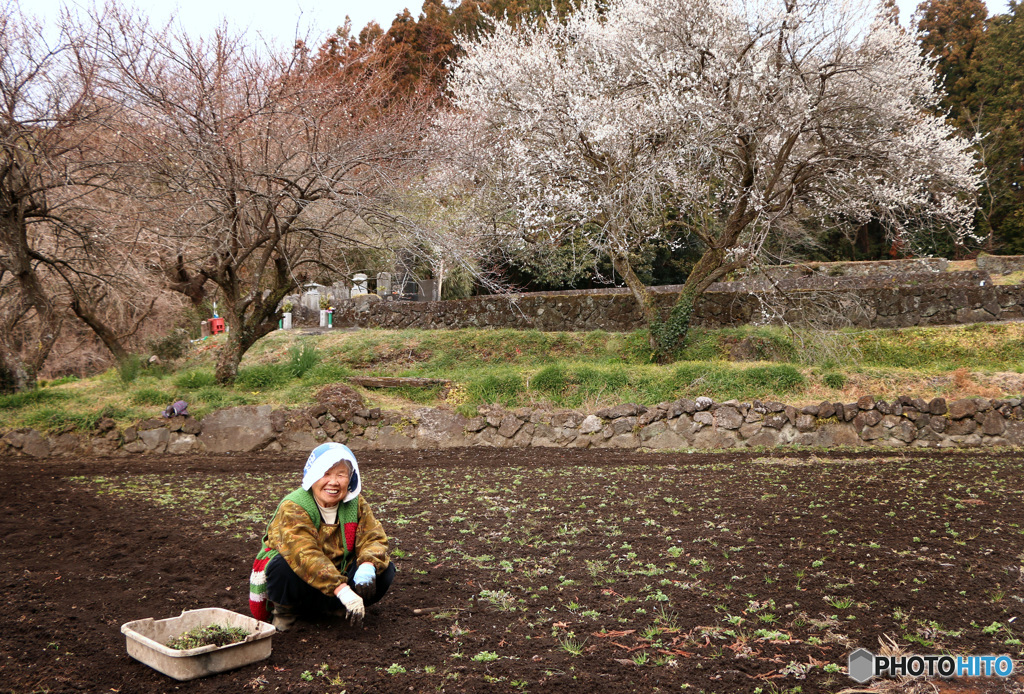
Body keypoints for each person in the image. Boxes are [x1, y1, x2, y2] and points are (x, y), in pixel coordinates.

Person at [249, 443, 394, 631]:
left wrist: (368, 565)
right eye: (325, 474)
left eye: (341, 475)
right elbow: (304, 553)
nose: (333, 482)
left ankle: (335, 610)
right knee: (282, 565)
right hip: (305, 583)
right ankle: (286, 613)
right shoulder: (294, 505)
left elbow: (373, 536)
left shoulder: (355, 503)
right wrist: (342, 590)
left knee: (384, 569)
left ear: (350, 478)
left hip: (338, 579)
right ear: (312, 475)